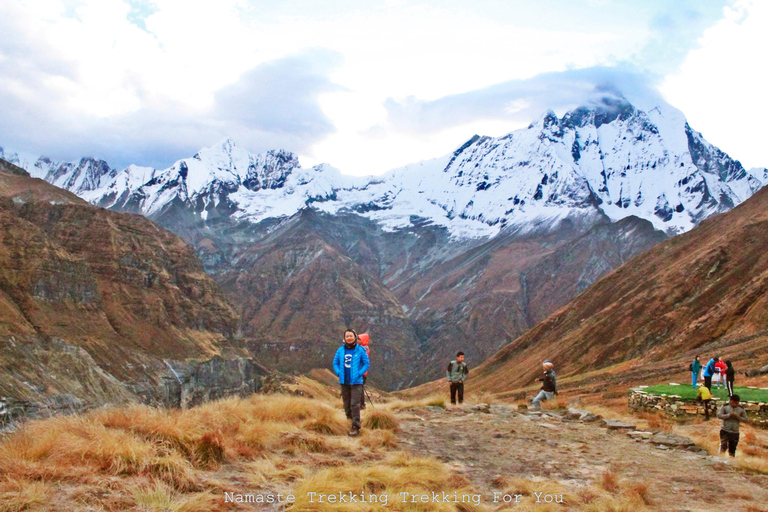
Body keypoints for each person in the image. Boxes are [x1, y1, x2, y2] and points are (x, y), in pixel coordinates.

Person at [332, 329, 370, 437]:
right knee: (347, 404)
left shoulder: (360, 350)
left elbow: (366, 363)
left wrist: (360, 373)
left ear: (354, 337)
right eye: (347, 336)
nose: (349, 338)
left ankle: (356, 427)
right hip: (344, 381)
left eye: (351, 336)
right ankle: (349, 421)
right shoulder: (340, 350)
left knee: (355, 404)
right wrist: (338, 372)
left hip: (356, 382)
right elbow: (335, 363)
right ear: (344, 338)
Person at [358, 333, 371, 410]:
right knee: (360, 388)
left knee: (359, 388)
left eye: (359, 339)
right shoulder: (364, 348)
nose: (357, 341)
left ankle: (361, 405)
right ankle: (361, 404)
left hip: (361, 372)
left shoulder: (363, 350)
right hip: (363, 372)